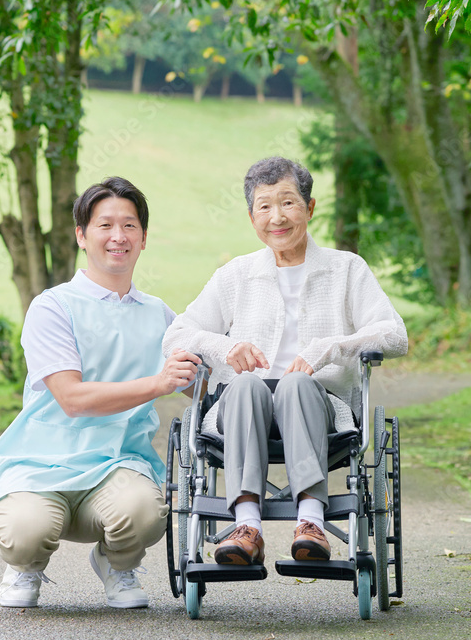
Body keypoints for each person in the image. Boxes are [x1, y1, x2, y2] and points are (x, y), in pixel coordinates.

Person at [162, 156, 408, 566]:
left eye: (289, 203)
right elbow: (176, 335)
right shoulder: (235, 276)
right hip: (241, 407)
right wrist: (226, 348)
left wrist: (327, 349)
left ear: (309, 208)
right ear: (251, 216)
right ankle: (247, 528)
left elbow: (394, 335)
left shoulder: (347, 269)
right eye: (264, 206)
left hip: (321, 406)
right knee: (245, 384)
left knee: (295, 384)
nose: (277, 216)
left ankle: (310, 523)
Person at [0, 176, 201, 608]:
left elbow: (202, 387)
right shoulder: (53, 307)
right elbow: (72, 399)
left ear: (144, 237)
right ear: (82, 235)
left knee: (144, 511)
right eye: (104, 225)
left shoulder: (160, 316)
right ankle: (25, 567)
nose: (118, 237)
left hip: (118, 465)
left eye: (130, 226)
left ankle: (118, 564)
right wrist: (158, 383)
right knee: (25, 530)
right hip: (39, 465)